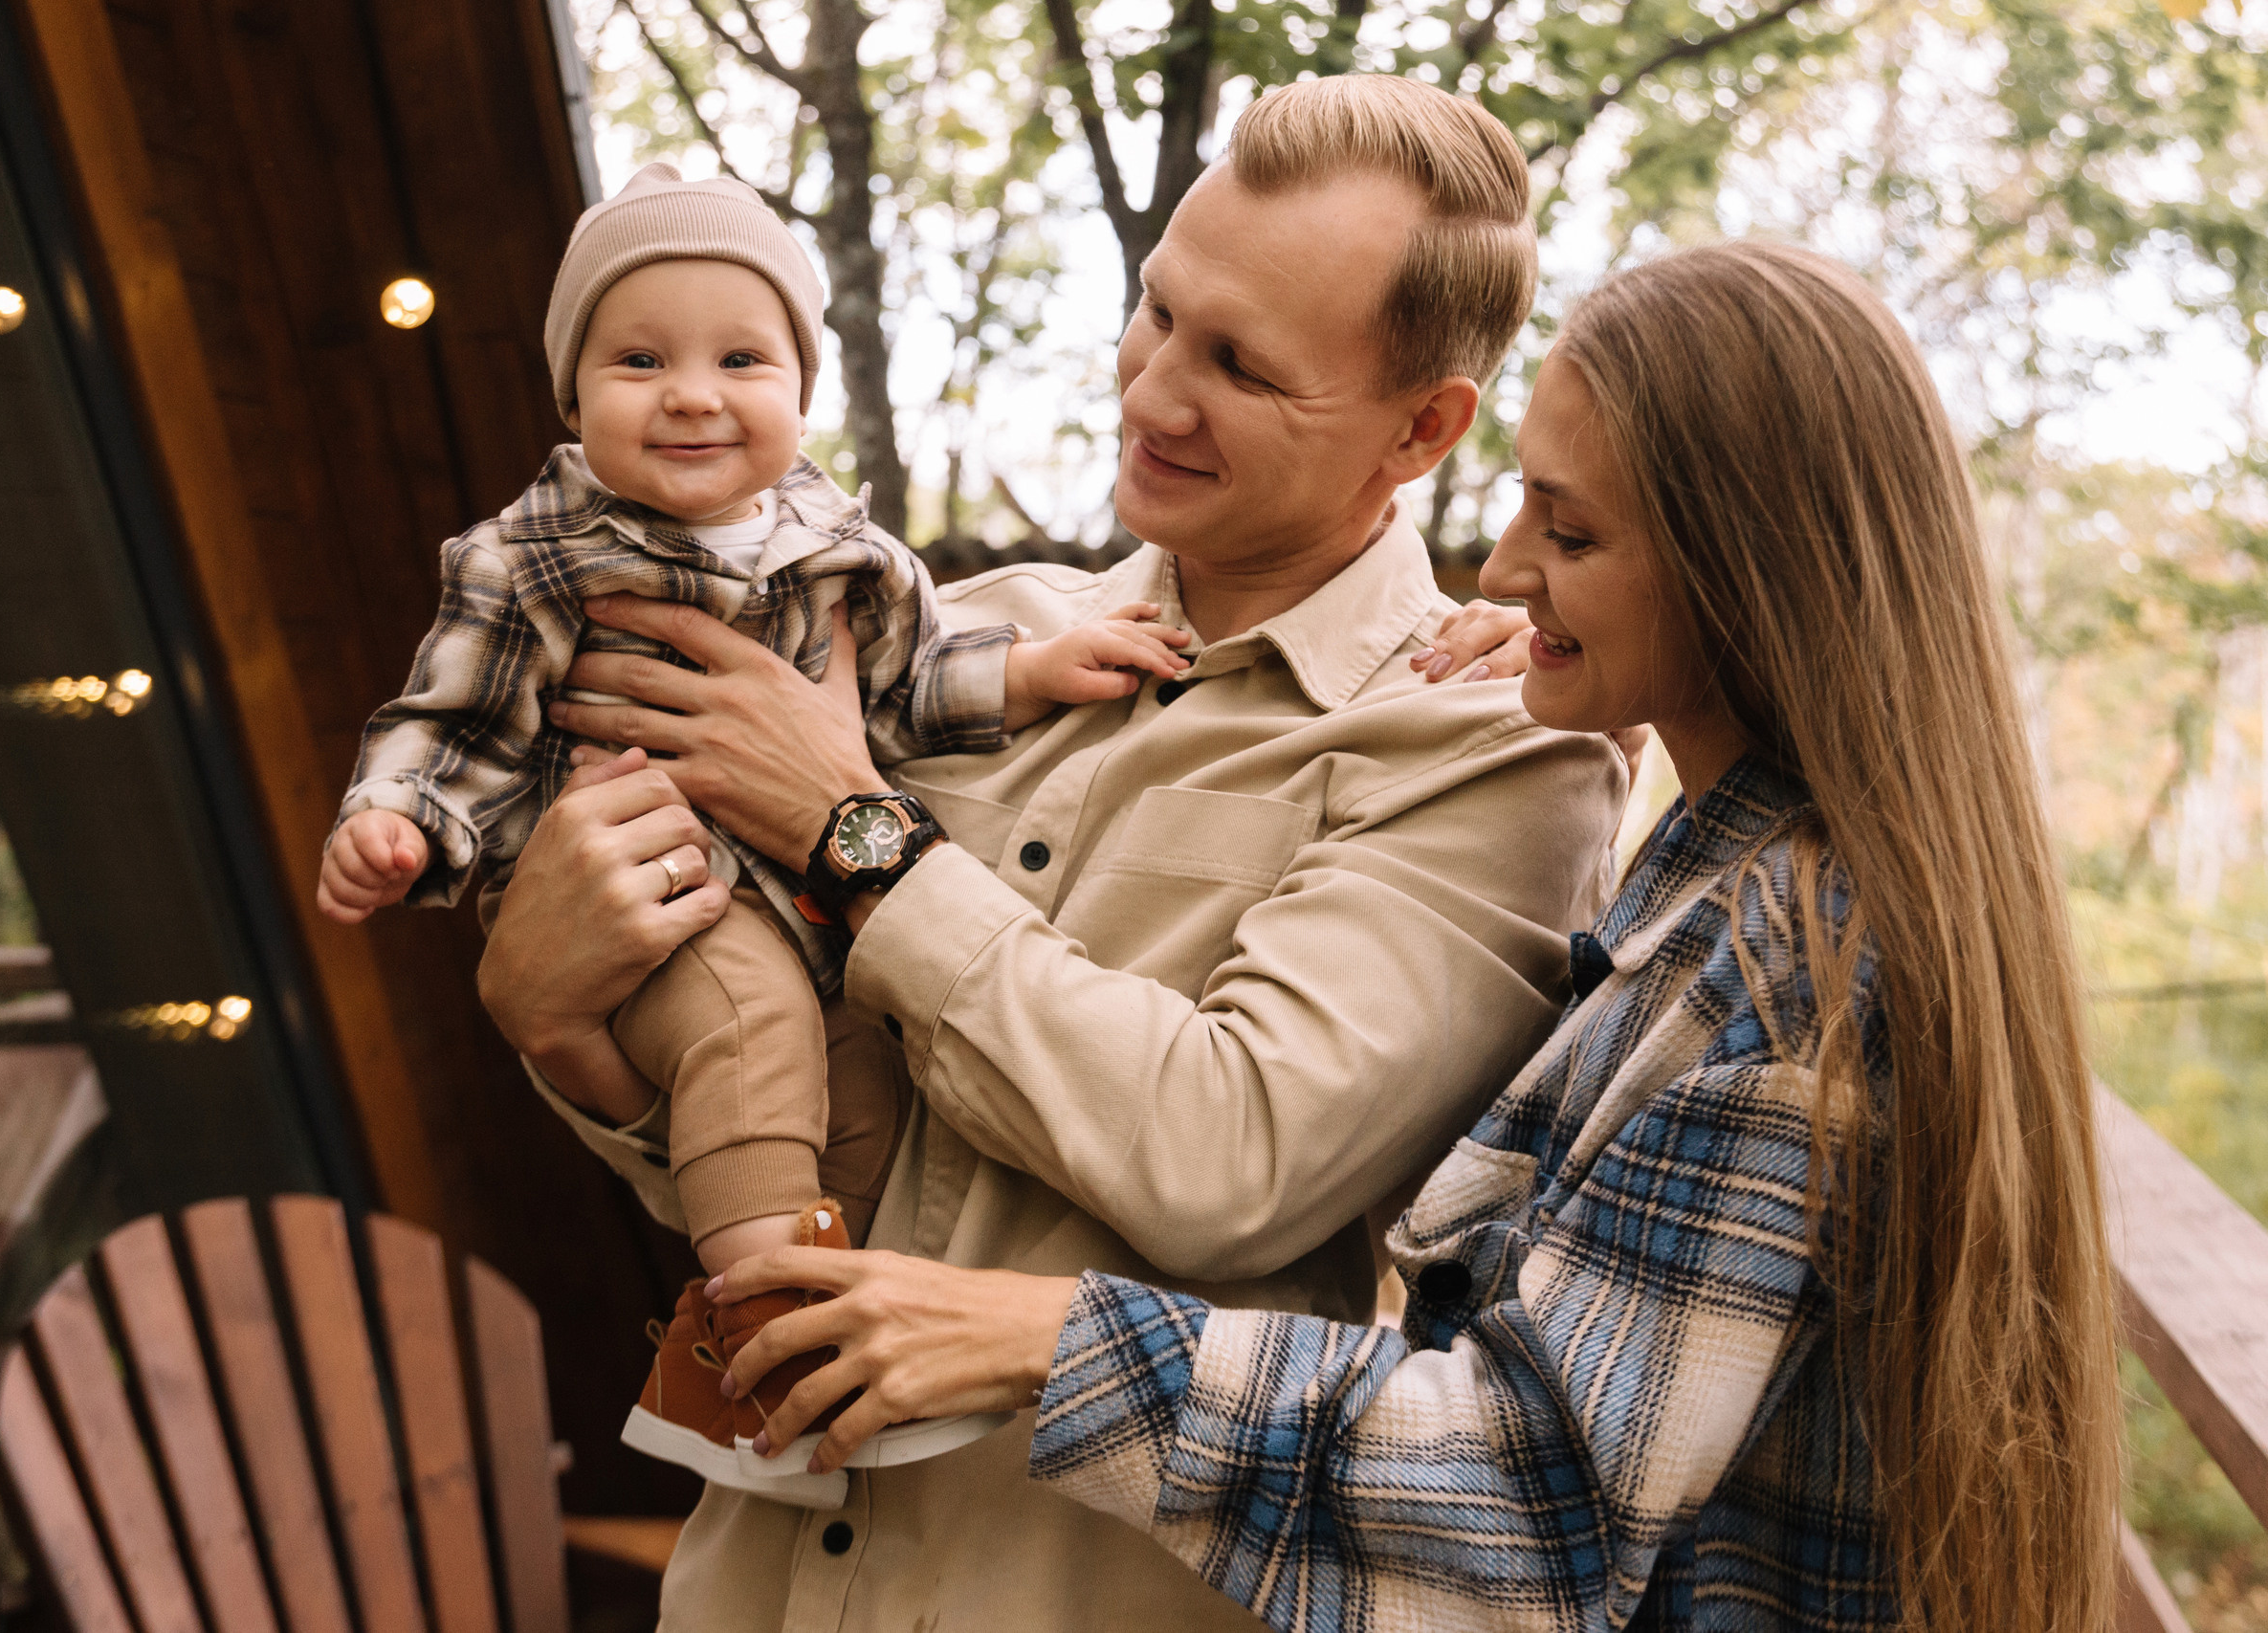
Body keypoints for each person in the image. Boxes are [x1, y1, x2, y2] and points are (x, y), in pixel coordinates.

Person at [704, 240, 2126, 1632]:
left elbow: (1541, 1502)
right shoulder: (1718, 888)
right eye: (1524, 509)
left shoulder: (1782, 965)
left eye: (1572, 533)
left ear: (1745, 577)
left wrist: (1044, 1337)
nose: (1500, 570)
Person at [476, 77, 1630, 1630]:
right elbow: (797, 1141)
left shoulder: (1487, 748)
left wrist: (854, 833)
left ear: (1422, 427)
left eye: (1240, 366)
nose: (1155, 391)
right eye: (1159, 312)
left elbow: (1228, 1164)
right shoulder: (956, 640)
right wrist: (561, 1025)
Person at [314, 160, 1190, 1486]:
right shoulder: (533, 559)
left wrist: (1031, 670)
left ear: (801, 388)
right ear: (572, 397)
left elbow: (908, 687)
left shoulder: (847, 550)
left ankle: (831, 1342)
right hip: (660, 896)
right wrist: (396, 817)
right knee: (749, 1027)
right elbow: (451, 721)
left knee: (866, 1096)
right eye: (639, 359)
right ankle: (764, 1343)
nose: (691, 393)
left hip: (812, 908)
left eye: (740, 359)